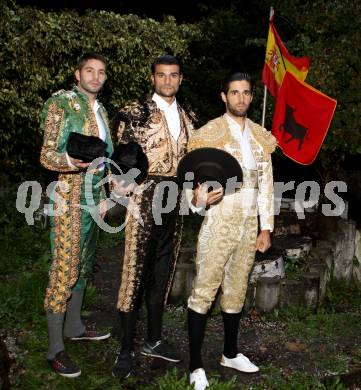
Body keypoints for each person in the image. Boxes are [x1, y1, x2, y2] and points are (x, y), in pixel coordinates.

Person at [185, 72, 277, 390]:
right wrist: (197, 200)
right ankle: (195, 366)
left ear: (252, 97)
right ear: (224, 96)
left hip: (248, 224)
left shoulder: (260, 137)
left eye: (246, 93)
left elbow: (266, 186)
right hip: (219, 221)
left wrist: (266, 227)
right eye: (234, 92)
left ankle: (230, 352)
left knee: (237, 289)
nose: (240, 98)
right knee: (204, 291)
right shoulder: (209, 133)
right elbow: (192, 180)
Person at [112, 54, 194, 379]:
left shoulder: (189, 118)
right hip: (144, 196)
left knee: (163, 272)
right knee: (134, 272)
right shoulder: (136, 113)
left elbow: (194, 162)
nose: (167, 81)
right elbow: (122, 157)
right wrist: (119, 187)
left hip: (174, 199)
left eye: (173, 75)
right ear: (153, 78)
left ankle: (154, 340)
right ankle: (126, 348)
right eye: (162, 75)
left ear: (181, 79)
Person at [40, 52, 114, 378]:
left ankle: (75, 326)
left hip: (94, 199)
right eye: (89, 71)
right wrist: (71, 164)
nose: (95, 77)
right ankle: (54, 349)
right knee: (64, 270)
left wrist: (113, 186)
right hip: (68, 199)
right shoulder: (60, 104)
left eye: (101, 72)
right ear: (77, 73)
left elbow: (106, 158)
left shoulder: (102, 111)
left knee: (83, 264)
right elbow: (46, 154)